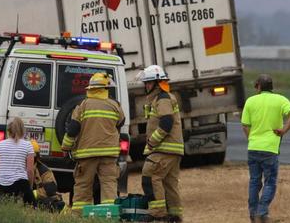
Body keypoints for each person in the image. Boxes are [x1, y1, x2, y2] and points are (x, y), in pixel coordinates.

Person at [61, 72, 125, 216]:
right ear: (105, 89)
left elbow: (73, 129)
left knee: (83, 186)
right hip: (109, 154)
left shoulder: (83, 106)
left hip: (86, 154)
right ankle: (110, 216)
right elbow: (121, 122)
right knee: (109, 185)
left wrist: (66, 147)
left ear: (91, 88)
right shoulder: (114, 105)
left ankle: (78, 216)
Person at [241, 74, 290, 223]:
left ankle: (253, 214)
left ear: (259, 86)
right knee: (270, 182)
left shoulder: (250, 101)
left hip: (253, 147)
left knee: (254, 181)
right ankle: (262, 212)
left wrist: (252, 139)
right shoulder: (280, 100)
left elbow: (245, 125)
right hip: (270, 149)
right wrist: (283, 130)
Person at [137, 65, 184, 222]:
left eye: (149, 83)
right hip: (172, 149)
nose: (146, 86)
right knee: (169, 184)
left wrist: (152, 142)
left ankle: (158, 213)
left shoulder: (162, 99)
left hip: (164, 148)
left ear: (157, 83)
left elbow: (166, 122)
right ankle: (174, 216)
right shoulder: (161, 98)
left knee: (149, 176)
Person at [0, 117, 35, 204]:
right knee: (33, 206)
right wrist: (30, 186)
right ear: (22, 130)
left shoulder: (0, 145)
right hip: (20, 184)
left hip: (2, 184)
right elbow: (30, 170)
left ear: (9, 130)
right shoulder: (28, 145)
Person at [30, 140, 65, 212]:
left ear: (35, 157)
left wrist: (32, 193)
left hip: (40, 200)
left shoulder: (44, 171)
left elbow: (51, 190)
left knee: (56, 203)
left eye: (30, 157)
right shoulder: (18, 169)